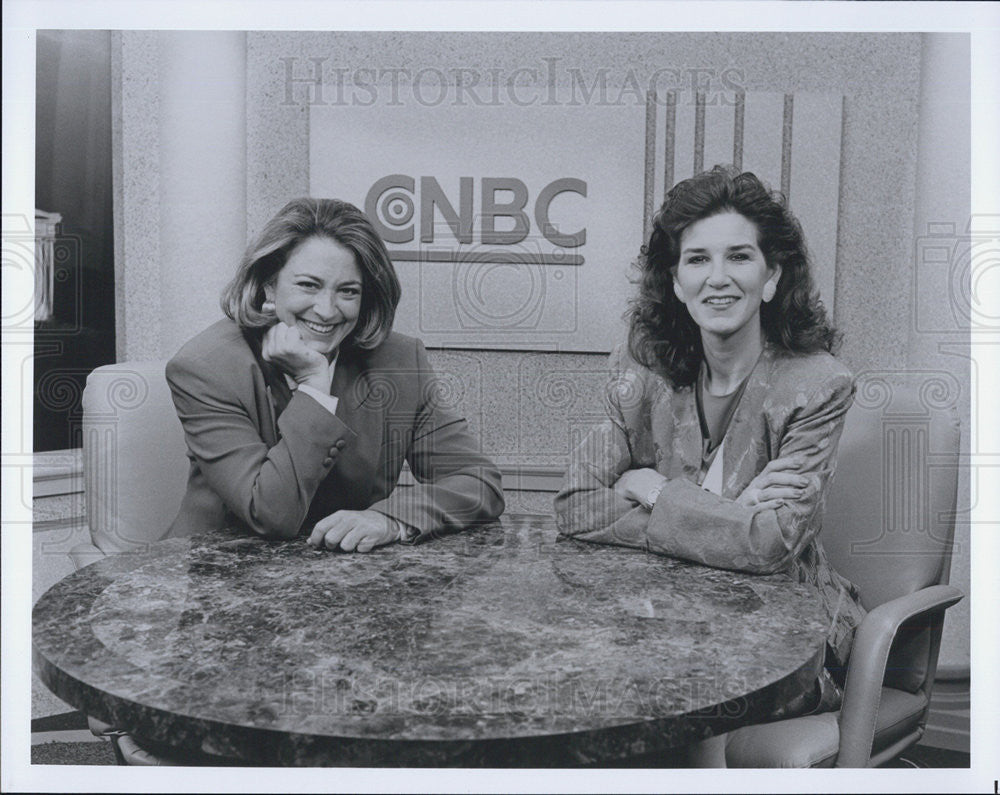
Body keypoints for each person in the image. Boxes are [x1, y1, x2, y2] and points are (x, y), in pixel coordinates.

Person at [554, 166, 865, 715]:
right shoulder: (639, 371)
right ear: (675, 282)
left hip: (783, 636)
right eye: (698, 259)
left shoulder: (818, 384)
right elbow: (575, 506)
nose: (717, 277)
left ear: (771, 277)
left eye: (739, 257)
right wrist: (728, 516)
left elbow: (770, 544)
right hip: (662, 622)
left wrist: (650, 488)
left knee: (681, 706)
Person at [166, 197, 504, 551]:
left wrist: (390, 519)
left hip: (345, 576)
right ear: (268, 285)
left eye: (347, 291)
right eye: (308, 285)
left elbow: (478, 482)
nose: (326, 311)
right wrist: (314, 387)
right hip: (219, 574)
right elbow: (270, 513)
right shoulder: (207, 367)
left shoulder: (399, 361)